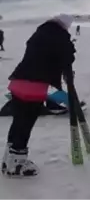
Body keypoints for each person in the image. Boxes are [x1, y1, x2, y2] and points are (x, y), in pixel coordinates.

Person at [2, 14, 75, 177]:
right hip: (34, 86)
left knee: (18, 120)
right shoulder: (60, 35)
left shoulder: (39, 33)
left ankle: (9, 159)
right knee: (26, 122)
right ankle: (18, 163)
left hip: (18, 81)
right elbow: (67, 56)